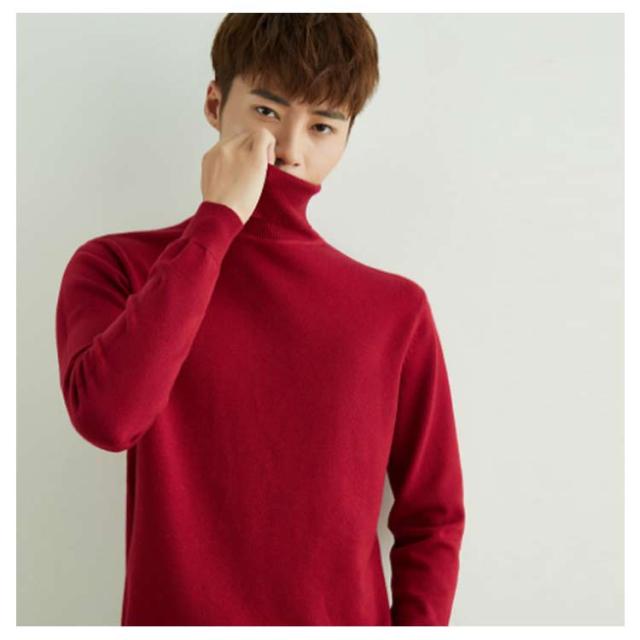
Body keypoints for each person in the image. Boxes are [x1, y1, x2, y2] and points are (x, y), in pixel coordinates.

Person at [54, 13, 465, 626]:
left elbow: (433, 516)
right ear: (215, 103)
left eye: (322, 126)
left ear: (346, 139)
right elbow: (110, 419)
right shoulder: (118, 268)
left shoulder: (394, 311)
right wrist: (218, 220)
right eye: (268, 111)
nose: (290, 150)